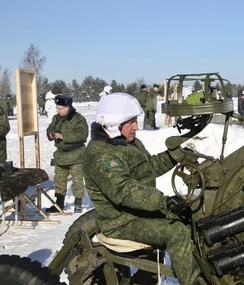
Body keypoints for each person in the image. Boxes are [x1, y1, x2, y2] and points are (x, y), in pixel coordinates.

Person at [83, 93, 200, 285]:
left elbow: (149, 168)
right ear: (113, 123)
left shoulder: (128, 143)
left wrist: (177, 155)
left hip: (139, 213)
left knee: (192, 216)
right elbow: (124, 190)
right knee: (177, 232)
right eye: (131, 122)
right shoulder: (100, 154)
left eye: (135, 121)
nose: (136, 127)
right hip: (122, 222)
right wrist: (163, 201)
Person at [45, 95, 89, 213]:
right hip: (61, 155)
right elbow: (50, 128)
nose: (57, 110)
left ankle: (78, 205)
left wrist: (63, 137)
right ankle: (59, 205)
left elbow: (82, 135)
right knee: (59, 180)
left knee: (77, 181)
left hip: (76, 155)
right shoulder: (56, 118)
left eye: (60, 108)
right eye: (57, 108)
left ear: (67, 107)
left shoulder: (78, 119)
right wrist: (50, 134)